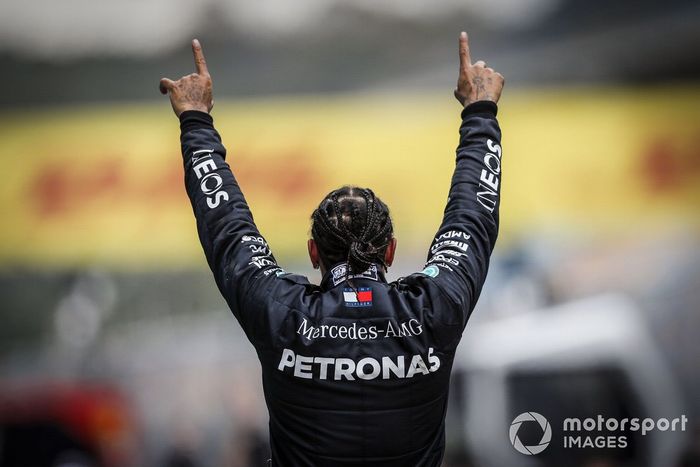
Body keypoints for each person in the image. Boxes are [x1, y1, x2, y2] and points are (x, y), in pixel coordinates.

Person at [159, 32, 504, 467]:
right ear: (391, 251)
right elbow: (472, 217)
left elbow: (227, 228)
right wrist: (480, 112)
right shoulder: (434, 309)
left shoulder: (281, 312)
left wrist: (195, 120)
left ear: (313, 252)